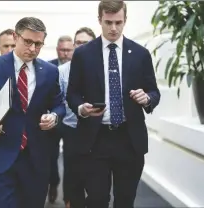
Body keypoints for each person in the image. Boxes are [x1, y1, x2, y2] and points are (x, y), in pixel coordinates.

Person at [66, 1, 161, 208]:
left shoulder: (140, 54)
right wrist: (81, 109)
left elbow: (154, 91)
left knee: (125, 200)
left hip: (129, 138)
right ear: (99, 20)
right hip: (95, 139)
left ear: (125, 20)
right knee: (97, 200)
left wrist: (147, 98)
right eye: (108, 22)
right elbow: (72, 93)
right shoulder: (83, 55)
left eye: (118, 22)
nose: (113, 28)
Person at [0, 17, 66, 208]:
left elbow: (59, 104)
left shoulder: (50, 71)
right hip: (0, 155)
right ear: (15, 36)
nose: (33, 49)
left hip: (36, 157)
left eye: (38, 44)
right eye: (28, 42)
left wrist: (54, 116)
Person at [58, 27, 96, 208]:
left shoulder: (100, 68)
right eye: (78, 43)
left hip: (97, 130)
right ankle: (70, 201)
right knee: (73, 173)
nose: (81, 46)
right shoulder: (63, 71)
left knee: (95, 175)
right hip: (71, 128)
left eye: (86, 43)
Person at [46, 34, 74, 203]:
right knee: (51, 157)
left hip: (72, 120)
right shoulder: (49, 67)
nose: (65, 53)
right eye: (62, 50)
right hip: (54, 120)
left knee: (70, 160)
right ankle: (53, 183)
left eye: (68, 50)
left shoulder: (78, 68)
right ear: (57, 50)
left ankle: (69, 197)